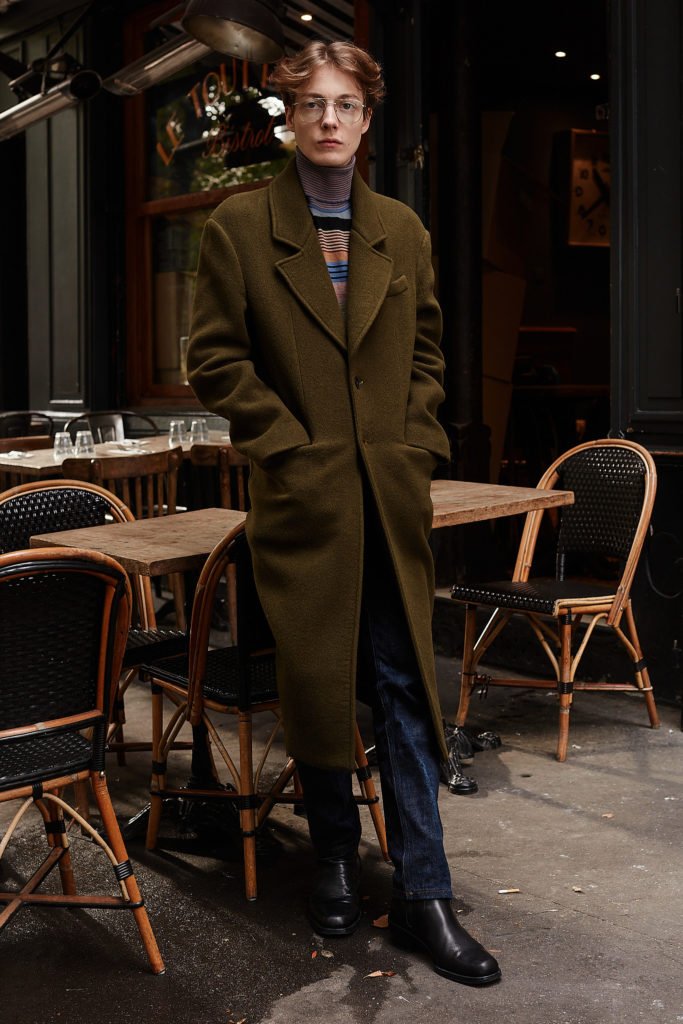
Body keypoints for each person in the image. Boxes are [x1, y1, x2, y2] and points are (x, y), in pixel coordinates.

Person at [187, 40, 501, 987]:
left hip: (390, 502)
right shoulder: (239, 228)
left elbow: (428, 355)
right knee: (320, 686)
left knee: (406, 687)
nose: (329, 120)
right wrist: (289, 448)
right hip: (303, 503)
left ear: (368, 120)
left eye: (347, 105)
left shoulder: (400, 230)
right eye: (312, 105)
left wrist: (413, 446)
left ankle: (424, 894)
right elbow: (215, 360)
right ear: (289, 117)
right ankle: (329, 857)